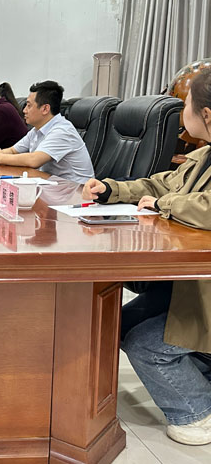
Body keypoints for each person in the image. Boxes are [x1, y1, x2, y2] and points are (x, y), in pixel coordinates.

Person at [81, 68, 211, 446]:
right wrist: (111, 189)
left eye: (185, 103)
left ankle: (197, 412)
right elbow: (160, 183)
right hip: (191, 285)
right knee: (117, 324)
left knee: (145, 345)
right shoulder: (203, 155)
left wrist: (162, 205)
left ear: (206, 114)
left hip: (204, 288)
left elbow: (199, 206)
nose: (181, 111)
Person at [0, 80, 94, 183]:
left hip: (76, 189)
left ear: (45, 109)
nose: (24, 110)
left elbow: (34, 160)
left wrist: (0, 157)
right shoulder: (37, 129)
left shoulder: (62, 131)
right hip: (53, 184)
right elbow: (13, 151)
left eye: (29, 106)